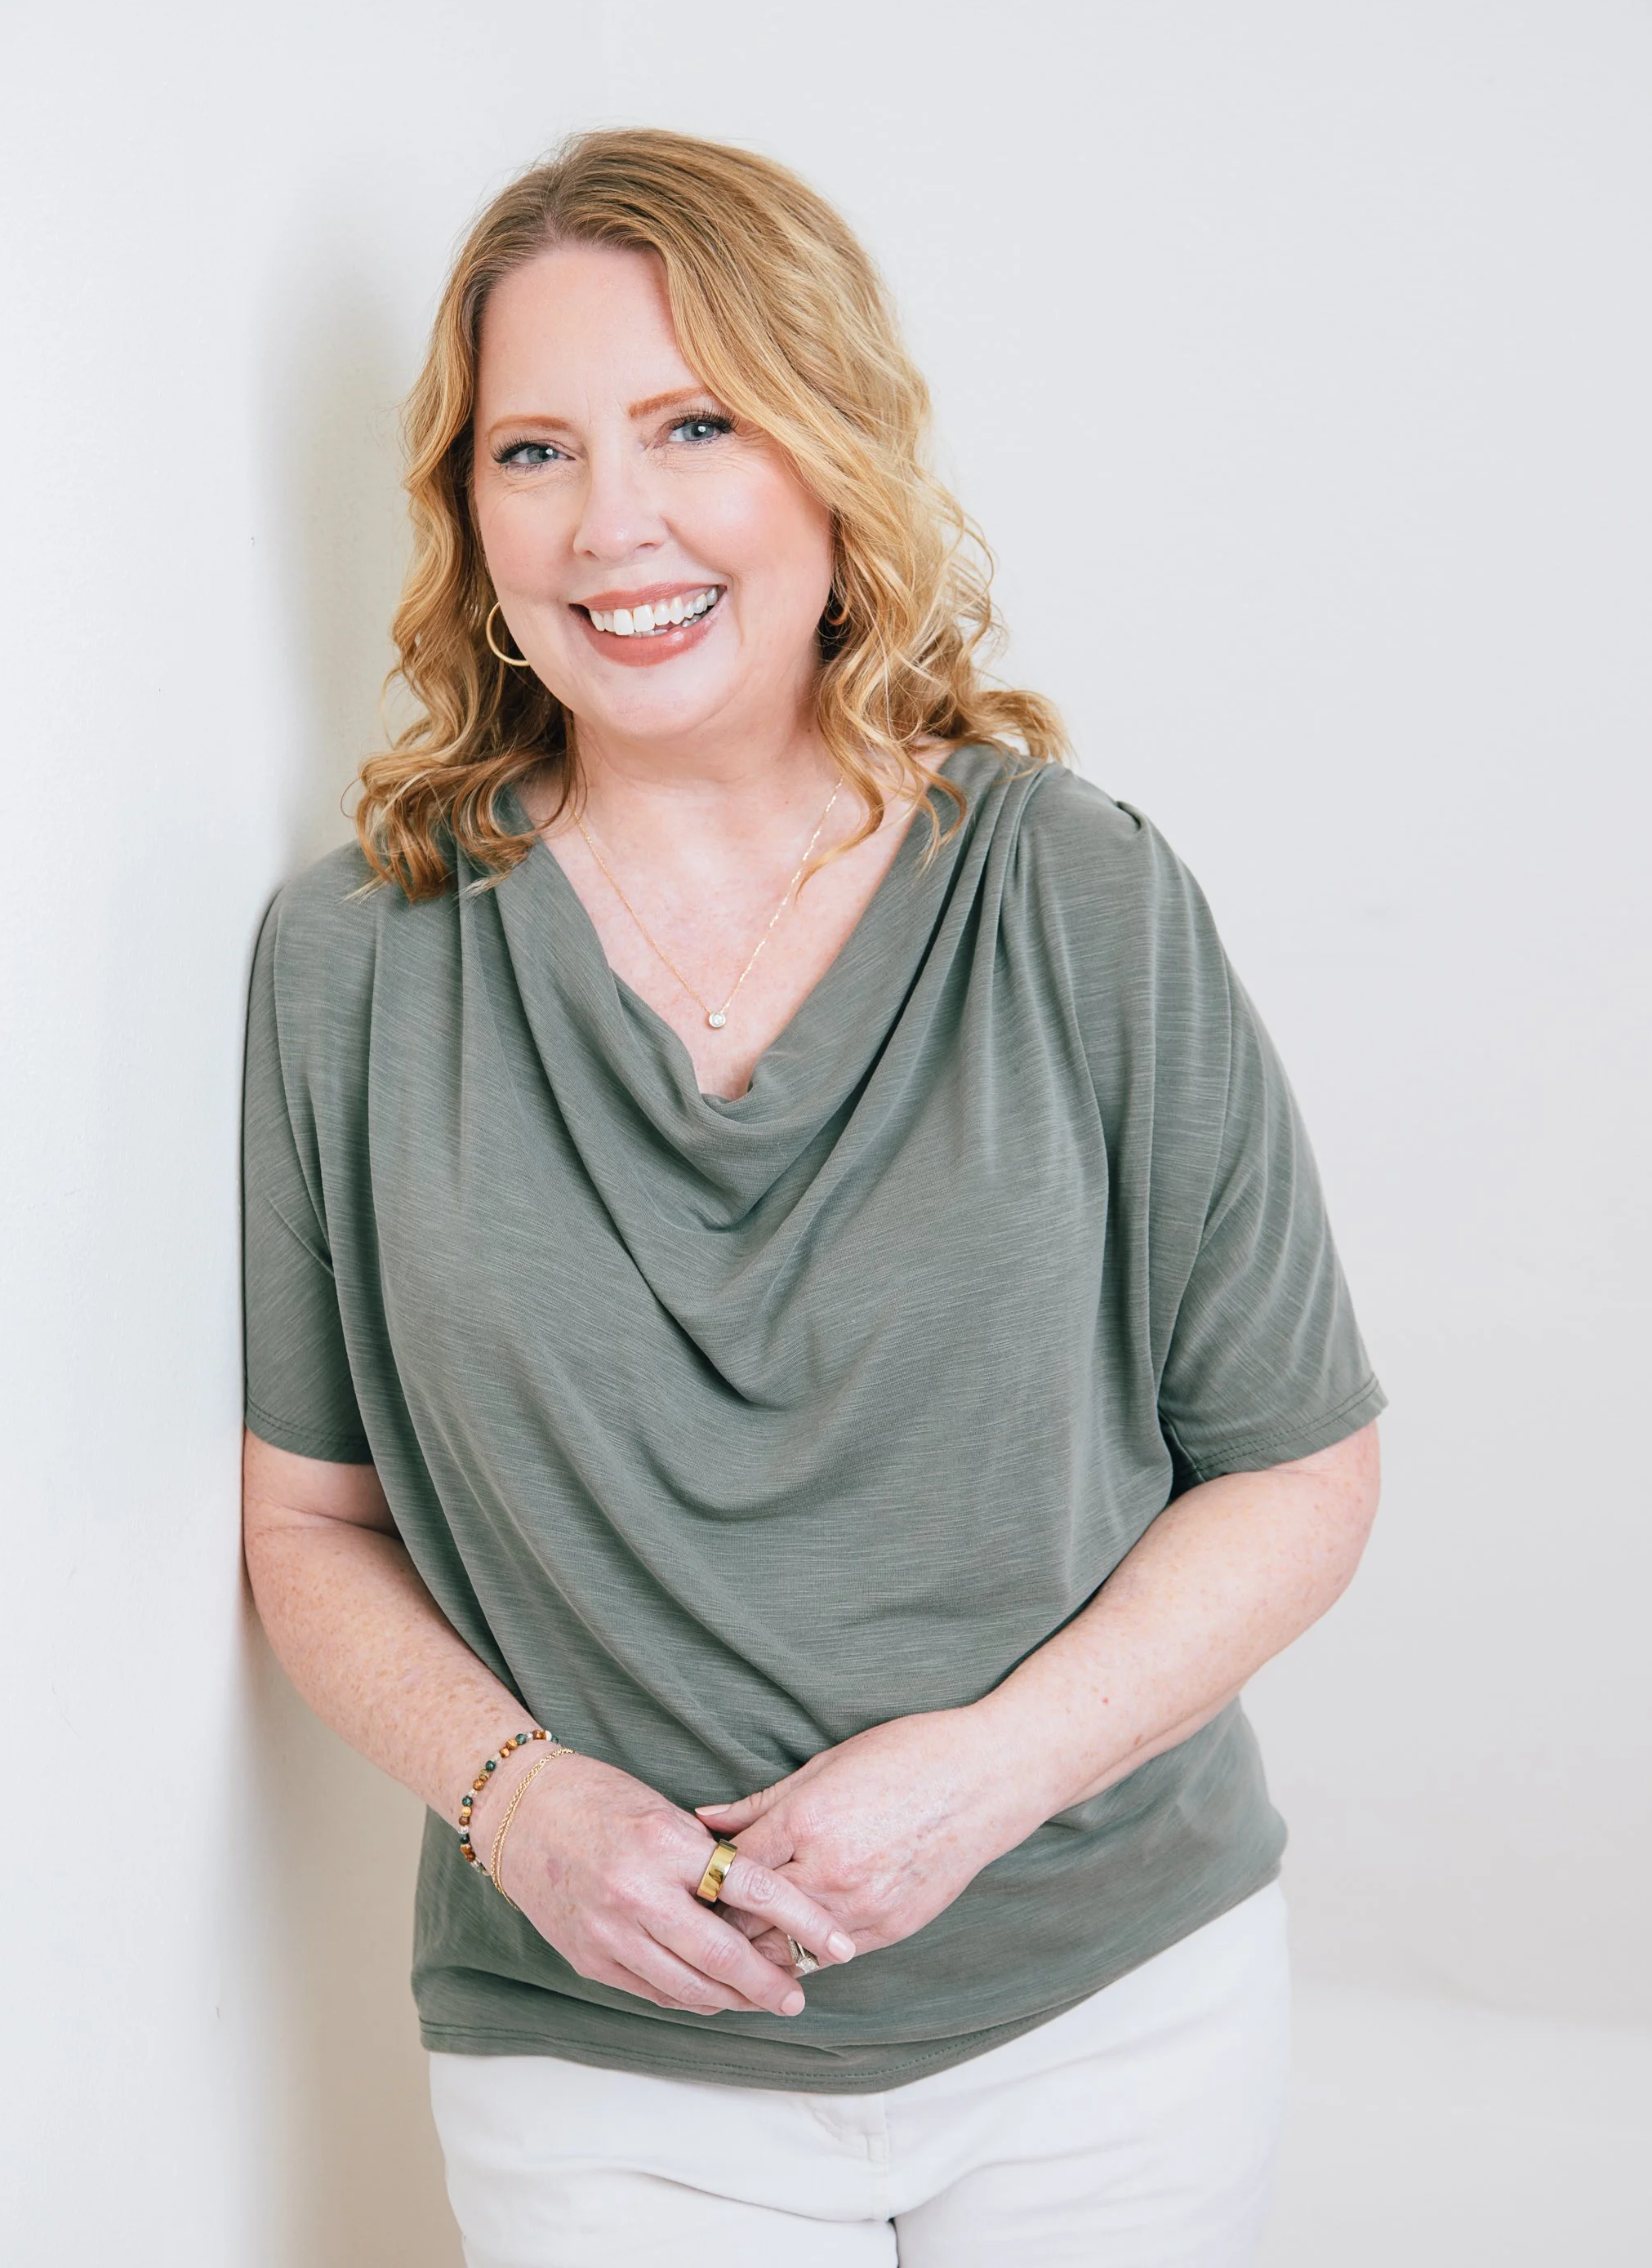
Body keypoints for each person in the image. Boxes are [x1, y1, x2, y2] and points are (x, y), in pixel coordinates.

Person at [242, 128, 1384, 2268]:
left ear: (825, 455)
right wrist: (516, 1800)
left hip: (1109, 2013)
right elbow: (308, 1523)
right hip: (602, 2061)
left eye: (696, 424)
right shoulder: (356, 962)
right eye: (535, 451)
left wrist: (987, 1774)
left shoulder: (1075, 890)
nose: (618, 524)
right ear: (466, 510)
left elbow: (1300, 1468)